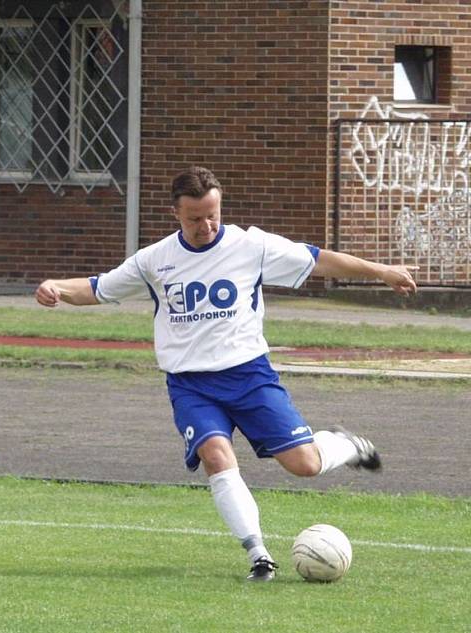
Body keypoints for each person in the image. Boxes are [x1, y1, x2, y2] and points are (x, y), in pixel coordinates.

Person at [35, 166, 417, 581]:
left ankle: (344, 444)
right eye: (194, 218)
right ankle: (259, 555)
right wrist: (56, 286)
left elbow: (320, 260)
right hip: (191, 386)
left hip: (250, 377)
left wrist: (381, 271)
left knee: (304, 465)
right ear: (175, 214)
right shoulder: (155, 260)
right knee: (216, 455)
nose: (206, 225)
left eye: (212, 214)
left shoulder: (250, 246)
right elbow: (99, 287)